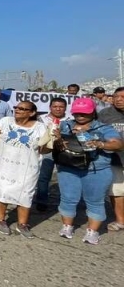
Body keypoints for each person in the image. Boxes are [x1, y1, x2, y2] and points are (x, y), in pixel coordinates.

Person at [53, 98, 123, 244]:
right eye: (77, 113)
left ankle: (92, 231)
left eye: (84, 113)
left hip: (96, 170)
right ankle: (67, 226)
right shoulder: (65, 125)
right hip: (68, 168)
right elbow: (53, 139)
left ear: (93, 112)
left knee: (95, 201)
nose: (80, 116)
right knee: (68, 198)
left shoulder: (103, 128)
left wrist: (100, 143)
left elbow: (118, 144)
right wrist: (58, 140)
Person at [0, 101, 48, 238]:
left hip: (28, 168)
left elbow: (45, 149)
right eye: (16, 107)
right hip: (5, 166)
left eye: (22, 108)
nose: (17, 110)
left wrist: (55, 139)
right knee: (3, 191)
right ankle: (0, 220)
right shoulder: (6, 121)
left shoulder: (40, 127)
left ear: (31, 113)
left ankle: (22, 224)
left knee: (25, 194)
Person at [97, 87, 124, 231]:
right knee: (117, 191)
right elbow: (97, 131)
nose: (119, 99)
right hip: (114, 159)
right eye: (116, 96)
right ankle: (120, 220)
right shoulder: (105, 114)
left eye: (123, 97)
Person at [35, 97, 68, 211]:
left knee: (65, 177)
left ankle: (65, 202)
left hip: (64, 152)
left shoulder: (70, 119)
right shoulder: (41, 118)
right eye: (55, 106)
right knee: (43, 177)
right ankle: (41, 201)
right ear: (50, 107)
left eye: (61, 107)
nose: (58, 109)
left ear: (65, 108)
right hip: (47, 151)